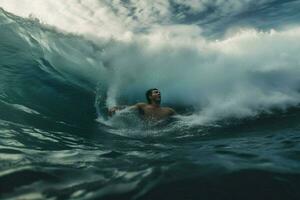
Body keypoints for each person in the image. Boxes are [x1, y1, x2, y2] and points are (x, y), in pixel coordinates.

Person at [108, 88, 176, 120]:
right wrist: (116, 108)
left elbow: (181, 119)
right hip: (144, 135)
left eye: (159, 92)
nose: (158, 93)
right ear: (150, 96)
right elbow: (127, 109)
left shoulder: (169, 111)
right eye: (156, 92)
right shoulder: (143, 106)